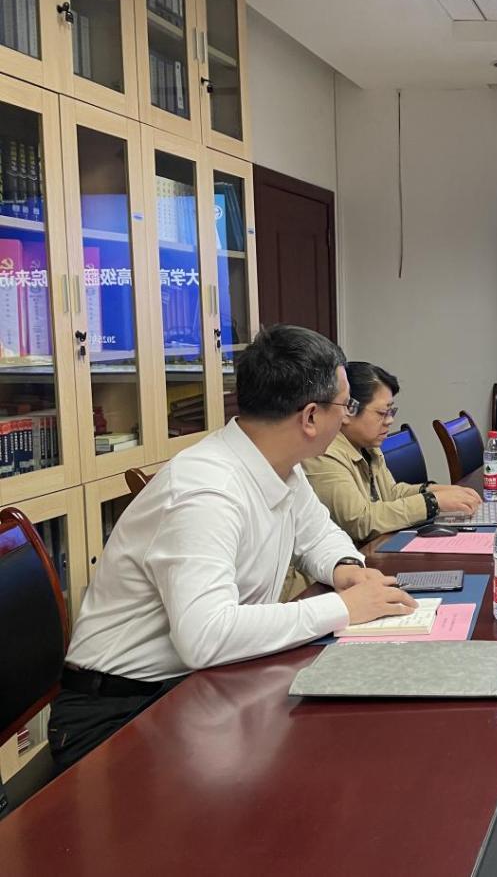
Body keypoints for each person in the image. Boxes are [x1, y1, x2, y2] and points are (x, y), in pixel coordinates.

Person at [48, 325, 419, 772]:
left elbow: (320, 534)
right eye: (345, 407)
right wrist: (344, 608)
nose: (346, 419)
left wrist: (345, 568)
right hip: (122, 714)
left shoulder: (280, 464)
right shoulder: (207, 490)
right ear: (309, 417)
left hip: (205, 686)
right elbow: (206, 636)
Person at [303, 362, 481, 543]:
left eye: (391, 411)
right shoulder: (323, 453)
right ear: (348, 410)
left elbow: (390, 493)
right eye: (382, 413)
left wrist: (433, 490)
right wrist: (433, 502)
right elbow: (359, 521)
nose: (389, 421)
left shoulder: (367, 445)